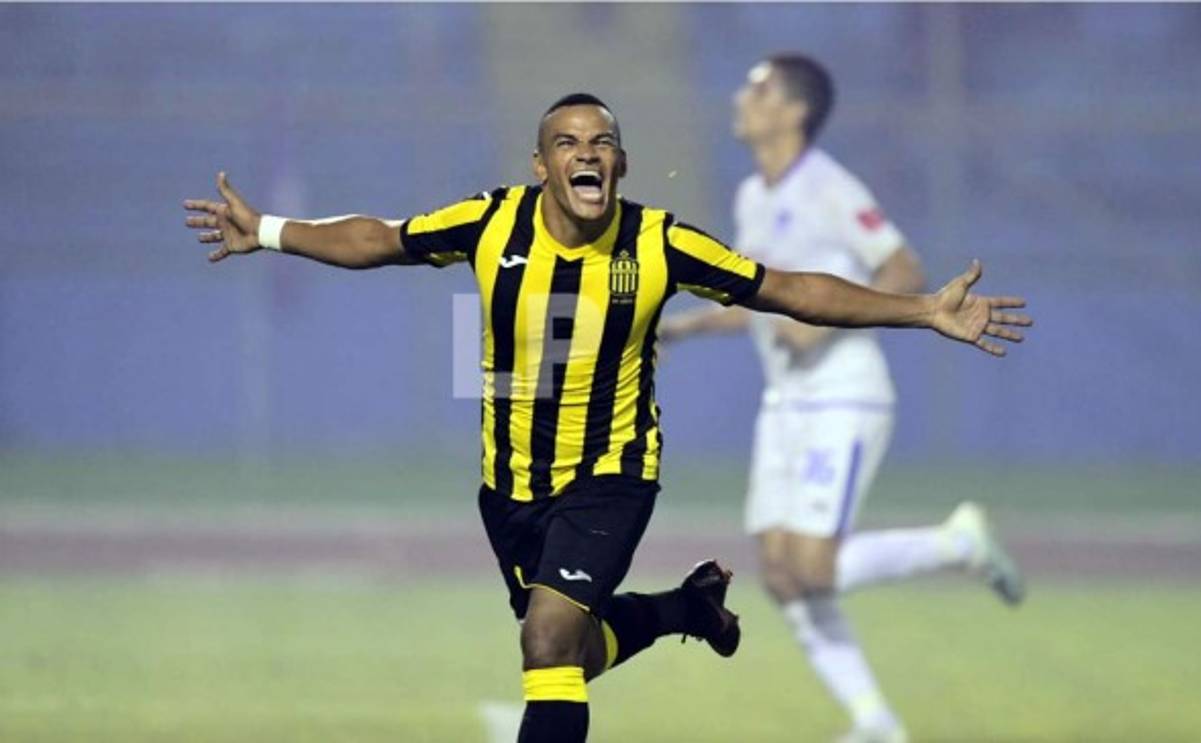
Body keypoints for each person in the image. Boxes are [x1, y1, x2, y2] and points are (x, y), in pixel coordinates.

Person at [183, 92, 1031, 743]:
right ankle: (682, 610)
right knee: (574, 652)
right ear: (541, 165)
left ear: (620, 165)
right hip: (508, 486)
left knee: (548, 641)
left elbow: (791, 289)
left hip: (613, 475)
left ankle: (668, 614)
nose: (585, 154)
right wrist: (266, 229)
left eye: (601, 144)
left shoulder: (661, 243)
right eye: (567, 143)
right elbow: (379, 238)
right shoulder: (492, 221)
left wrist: (922, 310)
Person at [658, 56, 1028, 743]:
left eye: (759, 88)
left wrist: (816, 329)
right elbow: (755, 301)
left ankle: (955, 543)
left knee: (814, 567)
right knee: (779, 573)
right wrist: (679, 328)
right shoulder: (752, 196)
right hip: (784, 404)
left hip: (843, 392)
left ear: (794, 111)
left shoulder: (828, 186)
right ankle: (875, 721)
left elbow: (902, 266)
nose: (742, 96)